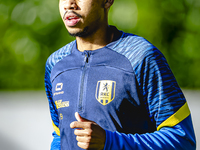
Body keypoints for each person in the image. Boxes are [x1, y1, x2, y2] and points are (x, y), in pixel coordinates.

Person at [44, 0, 196, 149]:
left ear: (107, 1)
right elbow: (60, 136)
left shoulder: (140, 56)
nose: (69, 4)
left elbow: (182, 139)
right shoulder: (55, 64)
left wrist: (110, 142)